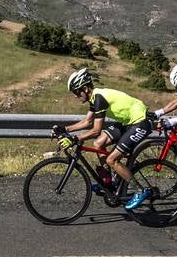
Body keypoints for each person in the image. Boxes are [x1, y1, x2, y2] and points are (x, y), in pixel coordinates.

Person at [53, 68, 155, 210]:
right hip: (128, 122)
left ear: (86, 88)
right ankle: (109, 181)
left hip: (140, 122)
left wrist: (75, 139)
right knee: (98, 143)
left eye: (77, 92)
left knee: (111, 159)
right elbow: (87, 122)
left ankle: (140, 191)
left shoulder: (99, 98)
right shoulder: (94, 98)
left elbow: (96, 130)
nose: (76, 96)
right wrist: (65, 129)